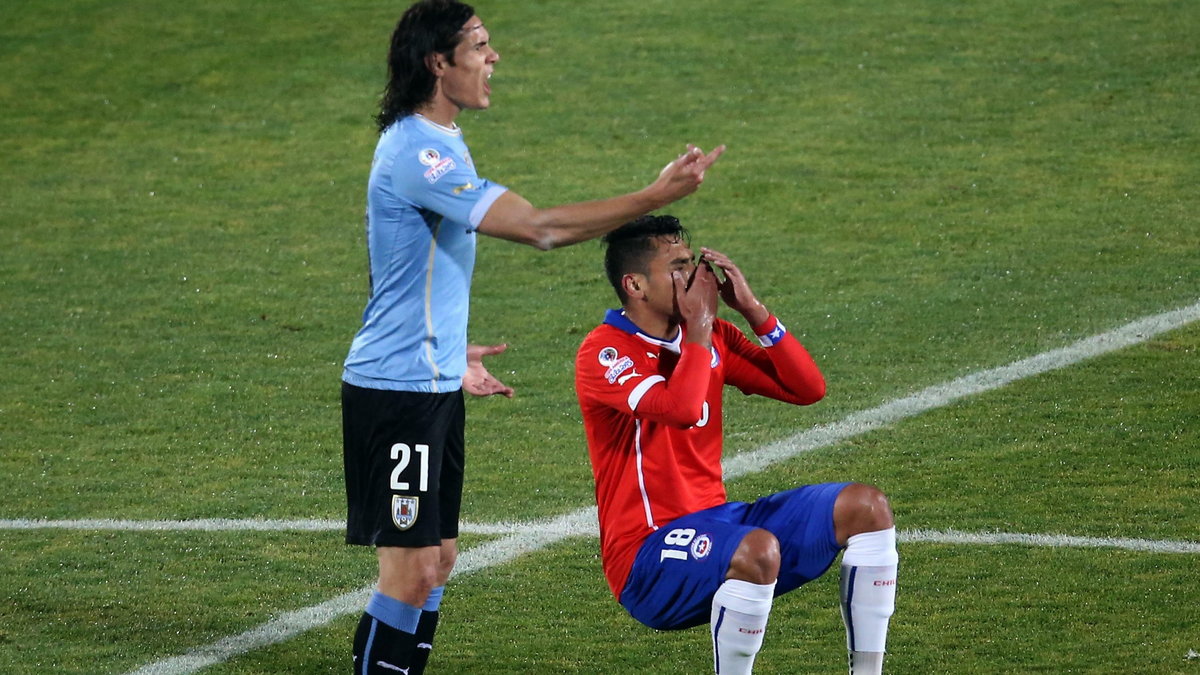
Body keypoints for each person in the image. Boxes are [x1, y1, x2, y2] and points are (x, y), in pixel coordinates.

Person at [340, 1, 725, 673]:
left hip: (427, 381)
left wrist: (446, 349)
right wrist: (653, 195)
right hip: (394, 393)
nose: (494, 58)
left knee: (437, 562)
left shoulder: (440, 138)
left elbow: (402, 267)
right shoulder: (419, 151)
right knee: (407, 570)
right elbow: (541, 228)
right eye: (480, 46)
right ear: (439, 62)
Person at [574, 215, 898, 674]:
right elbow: (681, 408)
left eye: (693, 261)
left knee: (866, 507)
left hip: (719, 524)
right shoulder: (605, 352)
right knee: (757, 550)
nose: (696, 276)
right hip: (645, 556)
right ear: (636, 285)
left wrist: (753, 311)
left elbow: (807, 389)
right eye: (679, 266)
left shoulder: (713, 339)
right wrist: (700, 329)